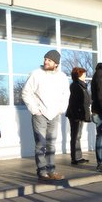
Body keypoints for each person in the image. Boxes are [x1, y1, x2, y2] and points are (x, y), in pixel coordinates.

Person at [22, 50, 69, 181]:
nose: (46, 61)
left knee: (51, 145)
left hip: (54, 114)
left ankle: (51, 171)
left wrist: (61, 109)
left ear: (56, 63)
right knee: (41, 144)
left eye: (49, 60)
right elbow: (26, 92)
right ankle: (42, 173)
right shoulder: (36, 74)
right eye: (45, 59)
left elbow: (66, 95)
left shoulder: (62, 77)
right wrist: (35, 109)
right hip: (40, 114)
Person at [66, 67, 90, 165]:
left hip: (80, 114)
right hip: (76, 115)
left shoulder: (82, 86)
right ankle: (75, 158)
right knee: (75, 136)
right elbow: (74, 102)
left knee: (78, 136)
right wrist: (77, 115)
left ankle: (78, 157)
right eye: (84, 74)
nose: (85, 76)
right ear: (79, 75)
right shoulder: (76, 86)